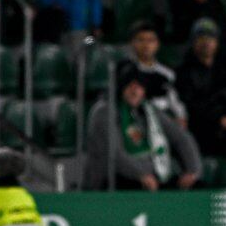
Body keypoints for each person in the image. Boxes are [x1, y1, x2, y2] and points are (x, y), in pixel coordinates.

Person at [85, 63, 202, 191]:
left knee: (197, 186)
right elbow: (113, 154)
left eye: (139, 86)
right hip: (116, 180)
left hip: (152, 178)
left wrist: (193, 170)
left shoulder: (148, 110)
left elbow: (182, 138)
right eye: (130, 85)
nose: (135, 91)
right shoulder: (104, 111)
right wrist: (140, 174)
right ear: (120, 87)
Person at [176, 19, 226, 184]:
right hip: (203, 139)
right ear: (193, 42)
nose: (206, 43)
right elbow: (191, 107)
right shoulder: (184, 72)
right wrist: (220, 120)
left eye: (210, 38)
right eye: (201, 38)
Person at [124, 21, 187, 125]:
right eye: (141, 40)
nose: (146, 45)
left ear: (157, 44)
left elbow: (176, 103)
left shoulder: (167, 74)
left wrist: (181, 118)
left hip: (162, 123)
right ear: (132, 43)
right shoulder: (125, 72)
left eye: (150, 40)